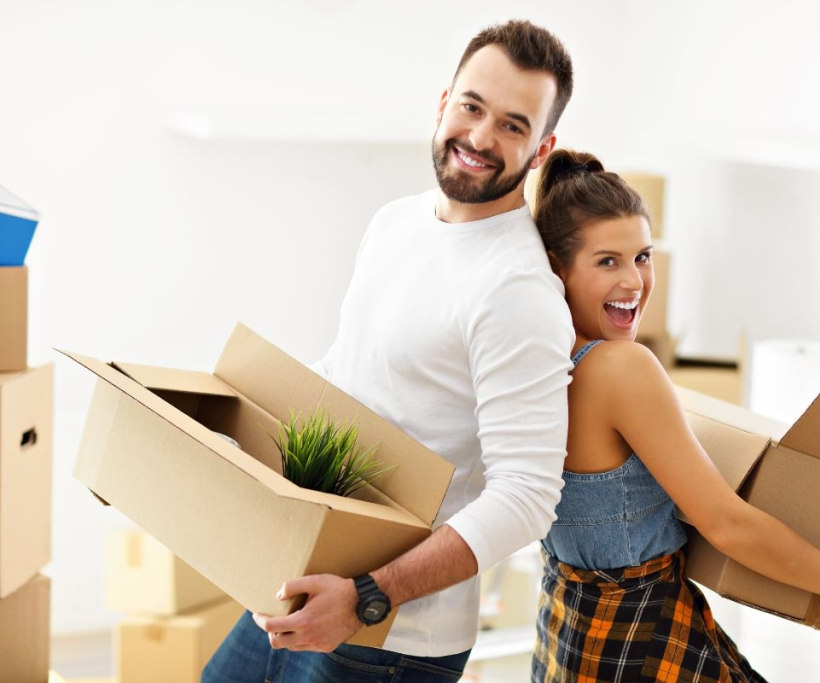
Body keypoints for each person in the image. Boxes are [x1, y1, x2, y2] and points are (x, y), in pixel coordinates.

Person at [203, 20, 576, 683]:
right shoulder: (395, 222)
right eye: (472, 106)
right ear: (443, 104)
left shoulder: (517, 290)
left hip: (388, 636)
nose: (482, 137)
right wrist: (197, 441)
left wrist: (367, 596)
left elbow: (526, 495)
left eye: (513, 126)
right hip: (301, 576)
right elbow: (347, 380)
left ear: (541, 147)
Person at [530, 149, 820, 683]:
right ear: (558, 269)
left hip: (569, 633)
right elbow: (727, 525)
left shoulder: (538, 364)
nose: (634, 282)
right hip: (639, 643)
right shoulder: (620, 367)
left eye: (643, 257)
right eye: (608, 261)